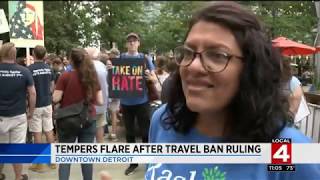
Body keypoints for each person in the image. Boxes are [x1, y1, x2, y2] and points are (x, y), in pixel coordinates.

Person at [146, 2, 320, 179]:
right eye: (189, 52)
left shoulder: (289, 151)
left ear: (251, 69)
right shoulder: (163, 120)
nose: (193, 66)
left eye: (217, 55)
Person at [53, 48, 103, 180]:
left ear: (71, 60)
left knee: (65, 158)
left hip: (68, 121)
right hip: (88, 118)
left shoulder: (65, 76)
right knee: (86, 157)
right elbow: (100, 101)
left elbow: (55, 98)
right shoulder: (92, 77)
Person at [120, 32, 156, 175]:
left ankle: (148, 161)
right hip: (126, 102)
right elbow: (115, 79)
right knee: (129, 134)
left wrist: (149, 76)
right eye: (129, 41)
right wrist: (112, 72)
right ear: (126, 44)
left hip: (142, 101)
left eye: (134, 41)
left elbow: (153, 79)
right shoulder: (120, 58)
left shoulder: (145, 59)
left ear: (139, 43)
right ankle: (133, 162)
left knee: (145, 132)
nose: (132, 43)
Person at [0, 42, 36, 180]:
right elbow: (32, 94)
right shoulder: (24, 71)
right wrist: (31, 112)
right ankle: (18, 177)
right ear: (15, 55)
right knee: (17, 149)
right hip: (18, 116)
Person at [27, 45, 56, 172]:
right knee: (49, 131)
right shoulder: (49, 69)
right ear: (44, 55)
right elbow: (52, 87)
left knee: (37, 133)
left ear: (33, 54)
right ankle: (53, 160)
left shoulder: (29, 69)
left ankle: (39, 163)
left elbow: (28, 91)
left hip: (36, 105)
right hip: (47, 103)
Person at [85, 47, 109, 143]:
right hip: (102, 103)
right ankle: (100, 151)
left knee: (88, 132)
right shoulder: (102, 66)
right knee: (100, 128)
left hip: (89, 105)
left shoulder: (86, 67)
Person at [106, 48, 121, 141]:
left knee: (113, 113)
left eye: (110, 54)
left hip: (113, 92)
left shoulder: (113, 64)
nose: (109, 55)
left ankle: (114, 133)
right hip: (116, 91)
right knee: (113, 112)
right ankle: (113, 131)